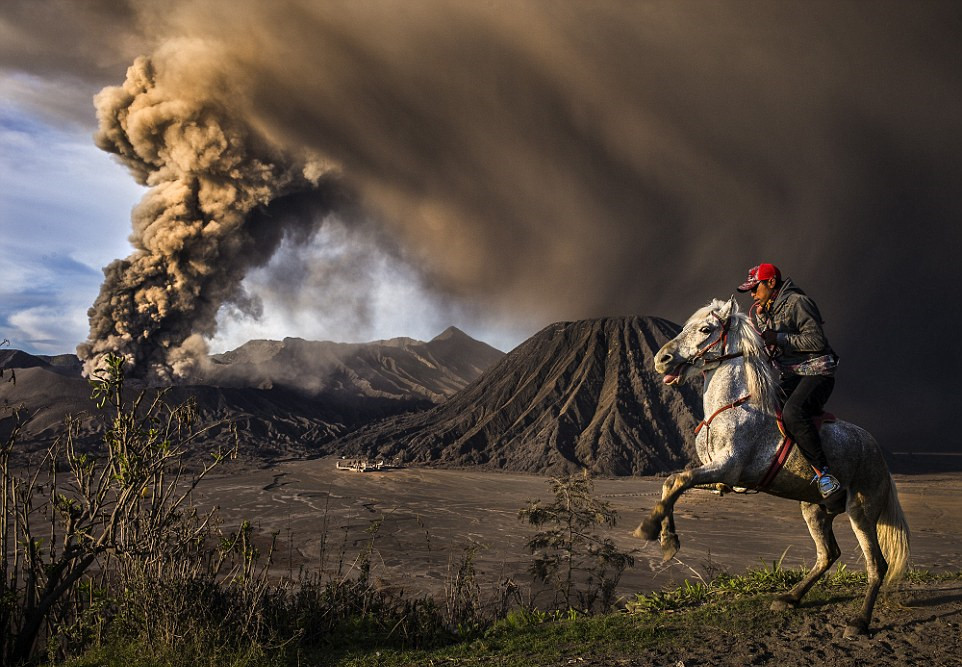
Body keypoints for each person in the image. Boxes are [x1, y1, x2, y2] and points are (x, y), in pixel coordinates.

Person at [737, 263, 842, 498]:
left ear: (771, 283)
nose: (753, 295)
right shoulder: (768, 309)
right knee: (762, 406)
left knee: (793, 412)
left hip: (817, 373)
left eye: (755, 288)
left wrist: (779, 337)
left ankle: (825, 475)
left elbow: (816, 341)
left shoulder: (798, 302)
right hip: (793, 375)